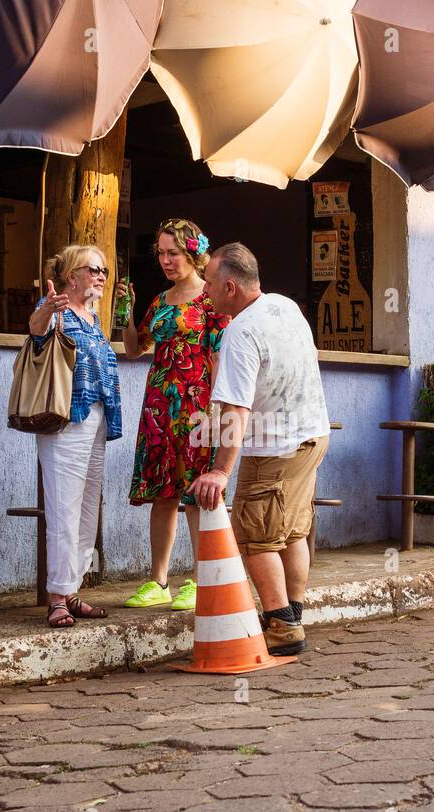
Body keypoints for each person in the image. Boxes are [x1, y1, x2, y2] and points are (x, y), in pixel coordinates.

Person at [189, 243, 330, 657]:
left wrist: (220, 472)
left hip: (275, 446)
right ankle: (291, 613)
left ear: (230, 286)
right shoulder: (285, 306)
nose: (205, 292)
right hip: (311, 436)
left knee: (256, 537)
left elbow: (236, 410)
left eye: (210, 284)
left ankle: (282, 626)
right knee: (291, 532)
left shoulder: (240, 332)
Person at [117, 218, 228, 612]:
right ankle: (159, 581)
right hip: (159, 406)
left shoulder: (212, 301)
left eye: (173, 253)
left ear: (193, 253)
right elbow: (134, 349)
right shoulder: (161, 301)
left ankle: (200, 580)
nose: (165, 260)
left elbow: (218, 356)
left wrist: (218, 411)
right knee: (163, 493)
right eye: (161, 253)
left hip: (198, 407)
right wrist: (125, 313)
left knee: (196, 494)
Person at [28, 245, 122, 628]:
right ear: (72, 276)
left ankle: (72, 590)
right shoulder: (57, 310)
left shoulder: (92, 315)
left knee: (86, 509)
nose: (102, 275)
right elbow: (35, 330)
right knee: (63, 507)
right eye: (94, 269)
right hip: (66, 419)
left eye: (104, 269)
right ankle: (56, 598)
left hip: (97, 419)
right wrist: (47, 309)